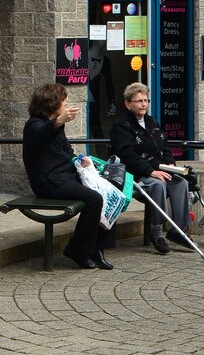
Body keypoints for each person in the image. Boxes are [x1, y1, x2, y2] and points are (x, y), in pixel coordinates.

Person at [22, 83, 111, 270]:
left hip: (64, 176)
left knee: (108, 188)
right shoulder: (34, 125)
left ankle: (96, 247)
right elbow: (41, 135)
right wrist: (58, 121)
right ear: (52, 103)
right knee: (94, 198)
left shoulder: (55, 127)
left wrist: (79, 160)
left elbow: (66, 153)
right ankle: (78, 250)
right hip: (48, 182)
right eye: (64, 101)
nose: (66, 104)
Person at [109, 82, 192, 254]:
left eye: (146, 100)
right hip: (137, 174)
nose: (143, 104)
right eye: (139, 101)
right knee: (158, 185)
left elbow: (165, 148)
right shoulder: (121, 126)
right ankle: (157, 233)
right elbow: (127, 156)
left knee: (181, 183)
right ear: (127, 103)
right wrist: (150, 171)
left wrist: (171, 165)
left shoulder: (152, 122)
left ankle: (179, 230)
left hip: (159, 169)